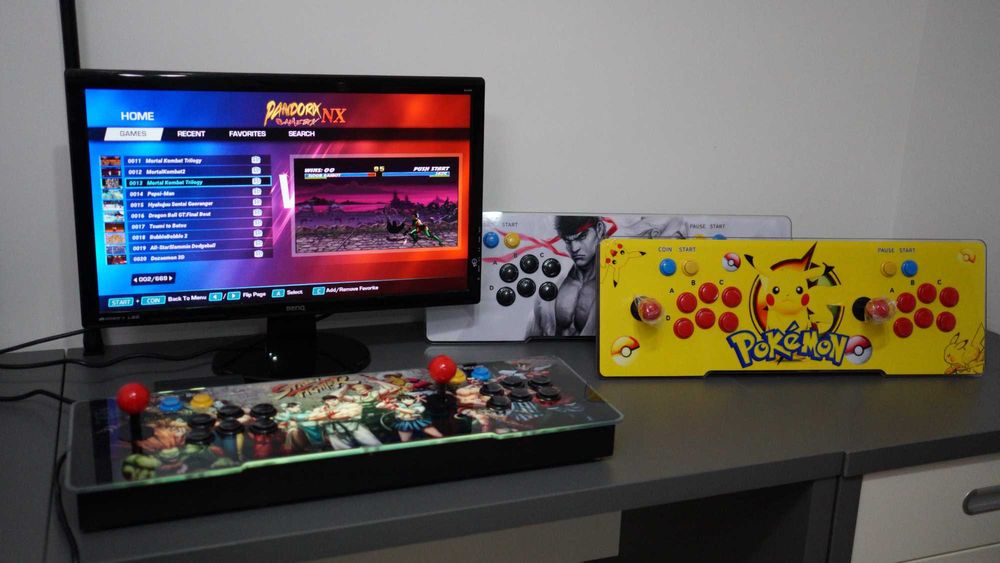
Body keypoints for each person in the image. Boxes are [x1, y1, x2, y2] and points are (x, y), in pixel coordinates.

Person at [526, 216, 606, 337]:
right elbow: (533, 336)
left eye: (582, 236)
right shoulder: (553, 282)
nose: (574, 248)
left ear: (599, 229)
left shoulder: (616, 282)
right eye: (568, 241)